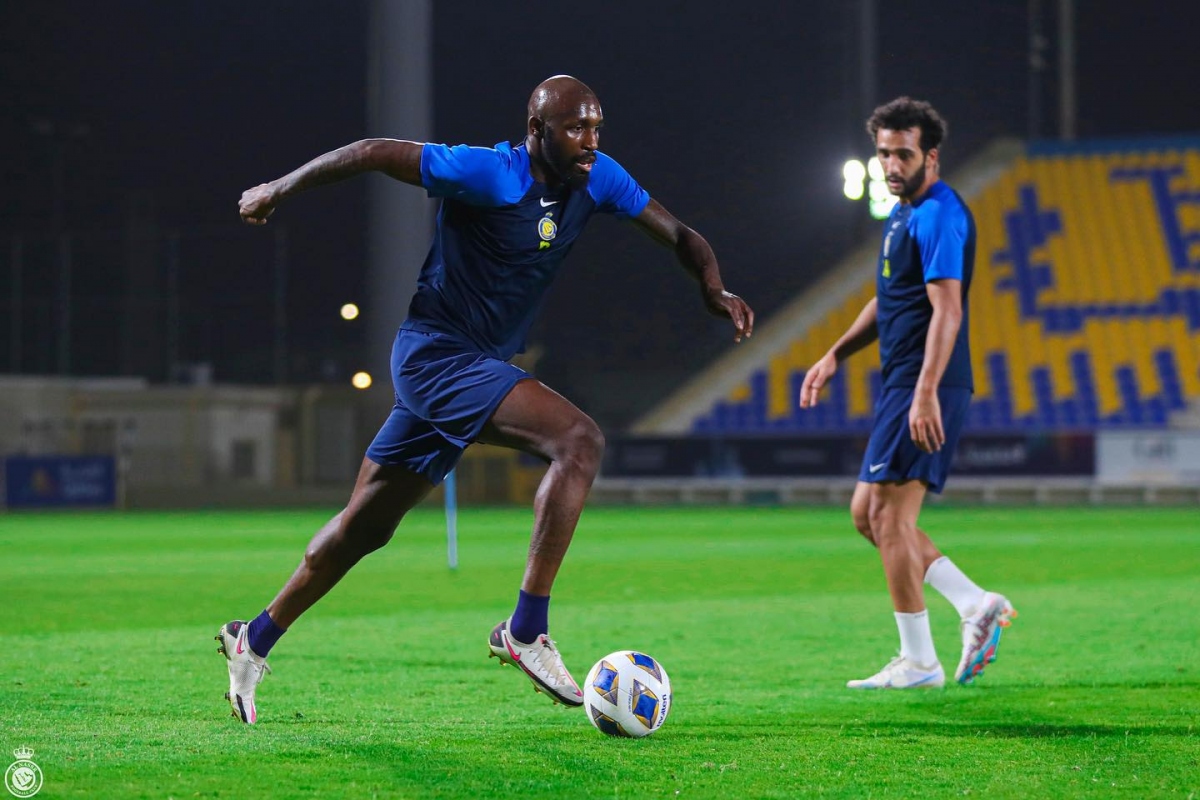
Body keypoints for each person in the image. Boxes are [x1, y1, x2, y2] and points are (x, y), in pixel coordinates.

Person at [216, 75, 755, 723]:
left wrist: (714, 288)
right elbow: (370, 151)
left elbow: (680, 235)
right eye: (575, 129)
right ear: (537, 131)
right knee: (579, 441)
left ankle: (255, 637)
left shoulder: (599, 177)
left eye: (596, 127)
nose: (590, 141)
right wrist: (279, 188)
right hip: (436, 356)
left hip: (469, 369)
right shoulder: (487, 173)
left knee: (365, 527)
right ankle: (526, 632)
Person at [799, 97, 1014, 689]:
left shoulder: (940, 216)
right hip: (905, 382)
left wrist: (924, 394)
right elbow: (888, 300)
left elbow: (948, 310)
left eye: (903, 154)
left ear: (930, 155)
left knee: (890, 520)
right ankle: (973, 603)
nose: (891, 165)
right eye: (884, 154)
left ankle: (920, 662)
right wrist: (835, 353)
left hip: (929, 382)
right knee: (867, 515)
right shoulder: (903, 214)